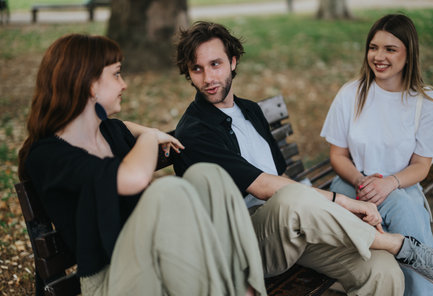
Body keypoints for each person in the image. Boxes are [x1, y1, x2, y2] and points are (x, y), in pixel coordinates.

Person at [173, 21, 433, 295]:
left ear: (233, 62)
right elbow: (263, 187)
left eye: (215, 64)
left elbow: (279, 177)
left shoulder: (249, 110)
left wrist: (318, 202)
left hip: (292, 226)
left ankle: (391, 251)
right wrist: (340, 201)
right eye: (197, 68)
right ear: (188, 72)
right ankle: (398, 245)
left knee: (382, 270)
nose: (208, 78)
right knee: (294, 197)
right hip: (242, 239)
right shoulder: (194, 132)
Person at [17, 34, 267, 296]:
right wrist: (150, 136)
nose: (124, 84)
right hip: (110, 280)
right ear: (90, 85)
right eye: (115, 75)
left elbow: (122, 127)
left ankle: (248, 290)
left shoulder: (111, 132)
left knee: (210, 175)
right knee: (166, 191)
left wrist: (146, 131)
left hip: (154, 259)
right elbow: (132, 178)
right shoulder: (48, 155)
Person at [320, 14, 433, 295]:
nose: (379, 56)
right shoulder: (350, 94)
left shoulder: (424, 101)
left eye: (390, 49)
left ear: (408, 54)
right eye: (373, 47)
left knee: (403, 204)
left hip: (402, 185)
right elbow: (338, 155)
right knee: (403, 208)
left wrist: (389, 183)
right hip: (351, 187)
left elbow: (421, 166)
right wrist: (362, 181)